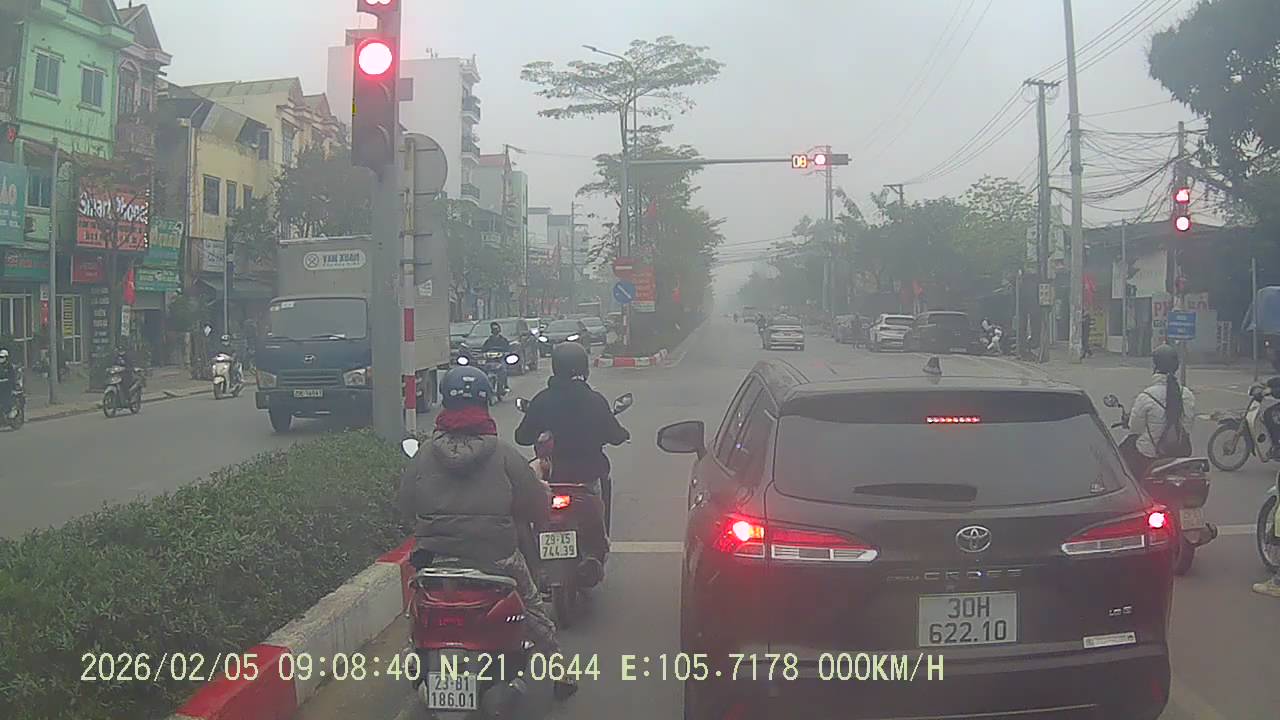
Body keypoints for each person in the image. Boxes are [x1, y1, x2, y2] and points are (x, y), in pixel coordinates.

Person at [397, 366, 578, 699]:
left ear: (445, 403)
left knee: (416, 610)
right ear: (485, 404)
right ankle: (560, 671)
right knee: (532, 606)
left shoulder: (424, 454)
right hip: (496, 559)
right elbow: (536, 506)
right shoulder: (504, 454)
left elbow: (405, 505)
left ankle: (414, 655)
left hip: (434, 560)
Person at [514, 342, 629, 577]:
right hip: (587, 475)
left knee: (525, 510)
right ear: (583, 368)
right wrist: (621, 435)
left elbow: (521, 437)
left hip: (550, 476)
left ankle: (532, 554)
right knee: (598, 497)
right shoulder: (594, 400)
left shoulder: (542, 400)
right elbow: (615, 434)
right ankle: (597, 549)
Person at [1121, 344, 1195, 481]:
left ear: (1155, 367)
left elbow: (1135, 429)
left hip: (1149, 454)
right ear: (1176, 367)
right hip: (1179, 452)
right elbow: (1188, 426)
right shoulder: (1187, 395)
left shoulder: (1146, 396)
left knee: (1124, 459)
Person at [481, 321, 511, 393]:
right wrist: (484, 354)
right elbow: (483, 350)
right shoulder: (488, 341)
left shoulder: (503, 340)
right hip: (490, 360)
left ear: (499, 330)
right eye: (493, 329)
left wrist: (506, 353)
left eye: (496, 329)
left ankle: (504, 385)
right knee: (483, 369)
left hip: (500, 359)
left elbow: (508, 349)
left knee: (503, 369)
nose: (495, 330)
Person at [0, 349, 16, 420]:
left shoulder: (9, 366)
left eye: (2, 357)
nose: (1, 359)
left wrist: (6, 380)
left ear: (6, 357)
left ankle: (9, 411)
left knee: (5, 398)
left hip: (7, 386)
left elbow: (12, 377)